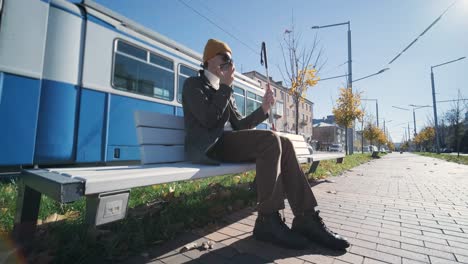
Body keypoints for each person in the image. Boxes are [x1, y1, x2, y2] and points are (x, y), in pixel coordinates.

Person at [182, 38, 349, 250]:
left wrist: (264, 108)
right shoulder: (194, 85)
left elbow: (240, 125)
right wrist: (225, 88)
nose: (228, 64)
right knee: (270, 141)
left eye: (230, 61)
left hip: (228, 144)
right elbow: (208, 120)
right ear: (207, 60)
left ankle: (306, 218)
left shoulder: (224, 89)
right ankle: (267, 220)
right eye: (223, 59)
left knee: (283, 141)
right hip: (209, 147)